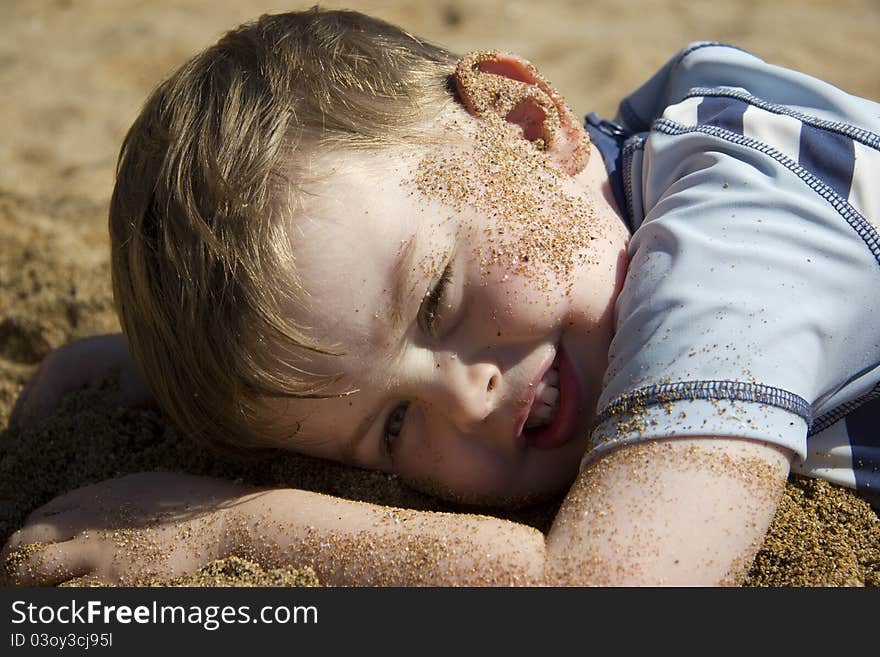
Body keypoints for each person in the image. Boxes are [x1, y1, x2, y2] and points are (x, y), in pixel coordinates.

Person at [3, 7, 878, 586]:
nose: (464, 397)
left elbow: (619, 590)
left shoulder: (740, 243)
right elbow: (348, 334)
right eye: (390, 427)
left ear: (526, 123)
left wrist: (237, 529)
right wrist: (140, 371)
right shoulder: (610, 183)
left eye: (435, 298)